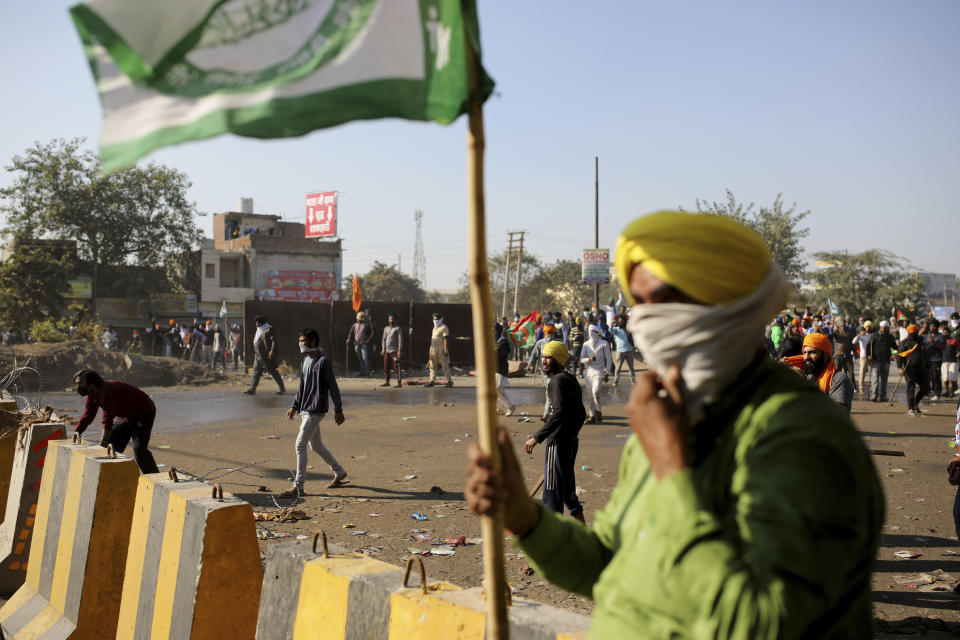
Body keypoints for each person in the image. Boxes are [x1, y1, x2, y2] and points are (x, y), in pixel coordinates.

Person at [466, 210, 882, 638]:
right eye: (639, 304)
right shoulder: (669, 414)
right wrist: (524, 518)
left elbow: (763, 624)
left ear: (730, 305)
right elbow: (609, 564)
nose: (646, 322)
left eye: (664, 301)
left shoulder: (806, 441)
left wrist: (672, 470)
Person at [522, 341, 586, 522]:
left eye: (548, 357)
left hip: (557, 443)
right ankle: (585, 534)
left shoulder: (556, 382)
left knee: (551, 493)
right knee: (568, 492)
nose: (544, 361)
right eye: (543, 357)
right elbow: (581, 413)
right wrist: (572, 433)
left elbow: (558, 414)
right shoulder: (570, 379)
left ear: (558, 359)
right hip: (571, 441)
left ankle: (553, 542)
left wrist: (537, 438)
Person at [281, 328, 347, 497]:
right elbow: (302, 386)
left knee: (299, 444)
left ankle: (298, 486)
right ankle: (339, 472)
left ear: (313, 341)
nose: (300, 344)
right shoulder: (306, 361)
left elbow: (333, 386)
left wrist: (338, 409)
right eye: (300, 340)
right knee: (315, 445)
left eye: (303, 340)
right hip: (305, 409)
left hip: (315, 410)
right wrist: (294, 406)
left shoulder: (323, 361)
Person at [72, 369, 160, 474]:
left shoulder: (106, 391)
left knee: (139, 450)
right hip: (125, 415)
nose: (78, 387)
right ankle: (111, 475)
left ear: (91, 382)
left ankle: (154, 476)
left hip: (143, 413)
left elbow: (107, 421)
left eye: (80, 383)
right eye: (76, 384)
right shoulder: (92, 394)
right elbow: (88, 415)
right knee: (112, 445)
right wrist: (77, 432)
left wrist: (101, 447)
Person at [782, 332, 854, 412]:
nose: (806, 357)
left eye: (812, 352)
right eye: (804, 353)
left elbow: (836, 417)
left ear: (825, 356)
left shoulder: (838, 379)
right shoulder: (809, 377)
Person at [527, 324, 562, 419]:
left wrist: (572, 358)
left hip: (556, 370)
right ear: (545, 333)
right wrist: (530, 364)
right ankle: (547, 413)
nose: (550, 335)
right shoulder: (540, 343)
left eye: (551, 333)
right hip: (545, 371)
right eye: (548, 333)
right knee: (550, 389)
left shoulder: (558, 343)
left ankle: (553, 411)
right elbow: (534, 354)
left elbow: (564, 353)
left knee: (555, 390)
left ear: (554, 333)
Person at [244, 315, 285, 395]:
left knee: (272, 371)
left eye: (257, 322)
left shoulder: (269, 329)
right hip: (258, 356)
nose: (256, 323)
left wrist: (272, 351)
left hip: (266, 356)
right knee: (256, 372)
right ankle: (252, 389)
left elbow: (274, 341)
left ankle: (281, 387)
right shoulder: (259, 330)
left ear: (261, 323)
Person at [579, 324, 611, 424]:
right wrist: (589, 359)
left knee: (595, 392)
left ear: (597, 333)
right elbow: (581, 359)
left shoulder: (604, 343)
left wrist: (607, 373)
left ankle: (599, 412)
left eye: (593, 333)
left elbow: (609, 359)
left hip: (599, 372)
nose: (591, 335)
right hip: (588, 373)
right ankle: (592, 416)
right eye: (589, 333)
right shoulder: (586, 344)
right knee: (590, 396)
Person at [897, 324, 929, 416]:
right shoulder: (903, 343)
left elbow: (925, 354)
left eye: (915, 333)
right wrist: (900, 368)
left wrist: (927, 366)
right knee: (911, 388)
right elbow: (900, 356)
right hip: (909, 369)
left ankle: (915, 402)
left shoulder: (921, 342)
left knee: (925, 387)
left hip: (921, 369)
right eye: (911, 333)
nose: (913, 335)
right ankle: (910, 408)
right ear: (908, 332)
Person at [869, 320, 898, 402]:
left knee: (884, 380)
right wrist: (869, 355)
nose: (884, 329)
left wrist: (895, 353)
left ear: (888, 328)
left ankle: (883, 396)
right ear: (880, 327)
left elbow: (895, 347)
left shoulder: (890, 337)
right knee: (875, 379)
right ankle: (874, 395)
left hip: (886, 360)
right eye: (883, 328)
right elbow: (869, 346)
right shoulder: (874, 336)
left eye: (886, 328)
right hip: (876, 360)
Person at [426, 312, 453, 387]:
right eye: (434, 319)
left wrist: (445, 349)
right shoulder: (434, 328)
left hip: (441, 349)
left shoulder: (444, 327)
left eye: (437, 319)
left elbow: (445, 339)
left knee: (445, 366)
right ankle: (432, 381)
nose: (435, 321)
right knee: (432, 366)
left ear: (440, 319)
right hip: (433, 349)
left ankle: (449, 381)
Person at [495, 323, 516, 416]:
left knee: (498, 389)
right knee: (498, 389)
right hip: (497, 368)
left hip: (500, 368)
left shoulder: (502, 342)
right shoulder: (499, 341)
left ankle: (510, 406)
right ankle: (499, 408)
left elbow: (497, 354)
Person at [609, 316, 636, 386]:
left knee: (631, 368)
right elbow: (610, 330)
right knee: (618, 368)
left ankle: (633, 381)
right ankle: (616, 381)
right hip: (620, 351)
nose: (621, 322)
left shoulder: (628, 329)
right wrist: (611, 324)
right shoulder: (616, 329)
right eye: (619, 320)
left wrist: (633, 347)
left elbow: (632, 338)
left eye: (622, 320)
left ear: (624, 321)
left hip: (629, 350)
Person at [345, 312, 373, 377]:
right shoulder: (354, 325)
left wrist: (369, 339)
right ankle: (363, 371)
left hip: (363, 343)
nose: (359, 319)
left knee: (365, 358)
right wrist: (348, 338)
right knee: (360, 358)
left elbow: (371, 332)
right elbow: (351, 332)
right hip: (356, 344)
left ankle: (367, 372)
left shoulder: (366, 325)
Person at [833, 319, 857, 393]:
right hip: (838, 354)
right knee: (837, 372)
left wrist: (855, 353)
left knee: (850, 372)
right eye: (841, 324)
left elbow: (852, 343)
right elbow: (833, 335)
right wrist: (832, 327)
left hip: (847, 354)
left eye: (843, 324)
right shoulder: (836, 331)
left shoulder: (849, 331)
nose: (842, 325)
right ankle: (836, 386)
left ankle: (854, 387)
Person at [381, 313, 403, 387]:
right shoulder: (386, 328)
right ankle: (387, 382)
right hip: (387, 351)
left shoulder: (398, 328)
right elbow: (384, 339)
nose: (391, 320)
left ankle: (399, 383)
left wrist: (399, 350)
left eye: (392, 319)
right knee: (386, 367)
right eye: (390, 319)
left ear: (395, 320)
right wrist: (383, 349)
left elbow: (400, 340)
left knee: (397, 367)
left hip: (395, 351)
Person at [925, 320, 945, 400]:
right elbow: (924, 344)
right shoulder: (927, 336)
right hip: (928, 359)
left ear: (937, 327)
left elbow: (944, 347)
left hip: (937, 359)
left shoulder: (941, 336)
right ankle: (931, 390)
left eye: (933, 326)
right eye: (930, 326)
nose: (932, 328)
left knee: (936, 376)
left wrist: (934, 343)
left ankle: (938, 393)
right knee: (928, 377)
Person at [856, 320, 874, 399]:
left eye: (869, 327)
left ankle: (872, 387)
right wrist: (859, 335)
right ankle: (861, 388)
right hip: (863, 356)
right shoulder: (862, 336)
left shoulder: (873, 335)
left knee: (873, 372)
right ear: (865, 327)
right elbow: (853, 341)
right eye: (867, 327)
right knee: (862, 373)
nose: (868, 328)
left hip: (871, 356)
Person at [945, 324, 960, 399]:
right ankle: (949, 391)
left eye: (946, 332)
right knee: (946, 378)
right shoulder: (942, 340)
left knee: (952, 377)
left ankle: (952, 391)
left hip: (953, 360)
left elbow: (958, 348)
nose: (945, 333)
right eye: (944, 332)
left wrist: (958, 353)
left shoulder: (954, 341)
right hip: (945, 361)